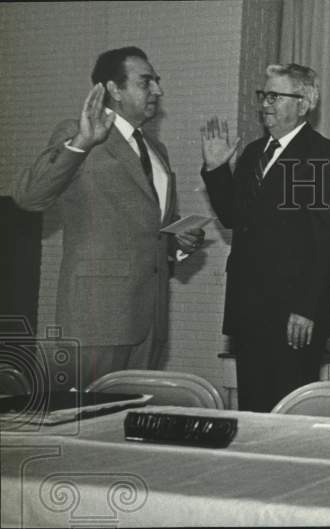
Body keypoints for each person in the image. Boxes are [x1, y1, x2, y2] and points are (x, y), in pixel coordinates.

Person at [14, 46, 204, 390]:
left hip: (150, 319)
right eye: (146, 82)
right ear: (113, 90)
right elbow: (30, 196)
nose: (158, 91)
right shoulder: (77, 133)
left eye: (157, 82)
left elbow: (152, 224)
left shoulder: (157, 150)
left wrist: (178, 242)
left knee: (132, 428)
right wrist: (81, 143)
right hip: (96, 317)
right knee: (85, 423)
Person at [201, 64, 330, 412]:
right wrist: (217, 170)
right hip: (248, 311)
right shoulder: (254, 153)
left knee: (287, 415)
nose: (264, 104)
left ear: (304, 103)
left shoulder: (325, 154)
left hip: (293, 315)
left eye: (274, 96)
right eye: (263, 96)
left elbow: (329, 237)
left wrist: (306, 307)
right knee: (252, 412)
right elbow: (233, 218)